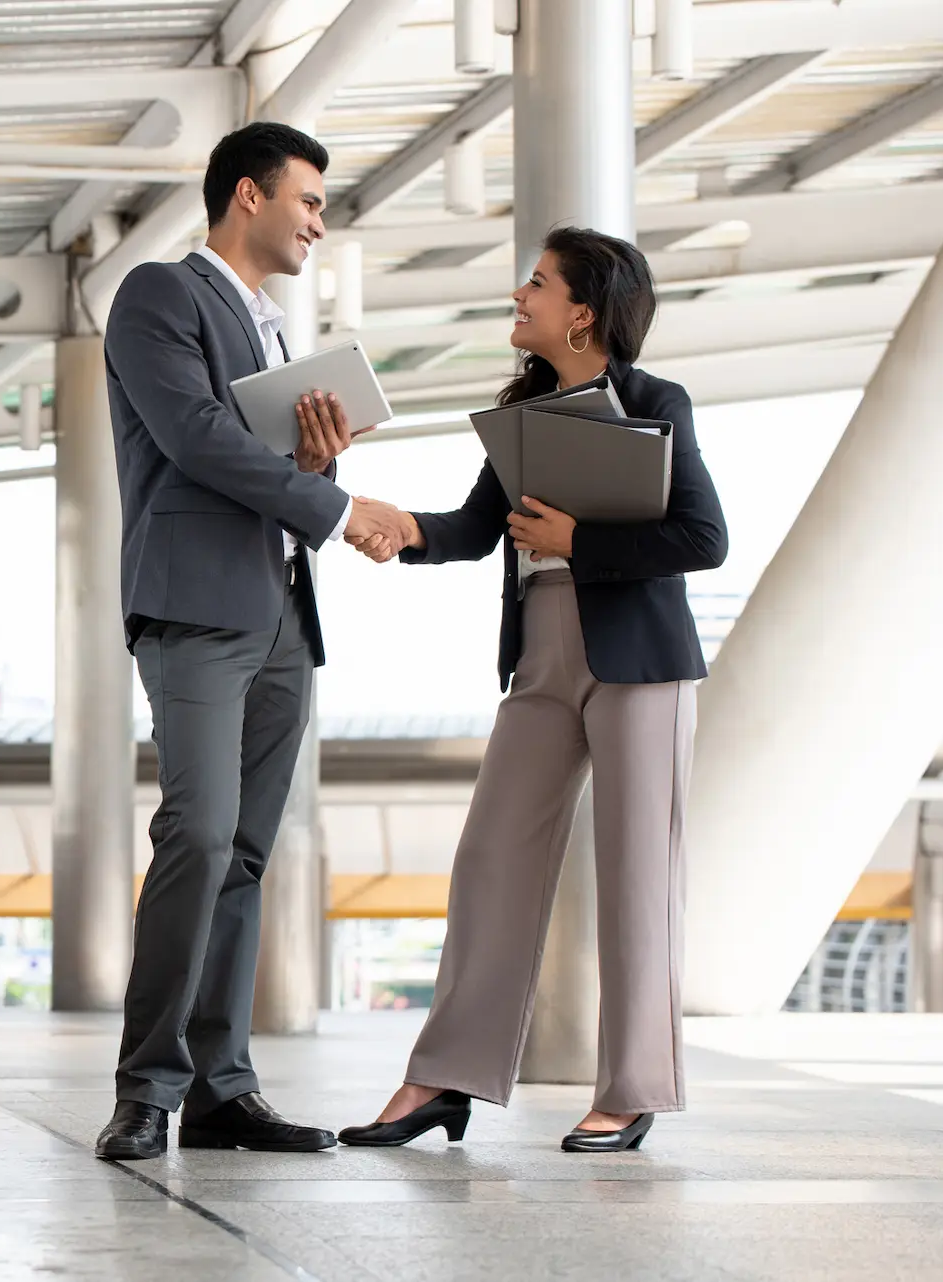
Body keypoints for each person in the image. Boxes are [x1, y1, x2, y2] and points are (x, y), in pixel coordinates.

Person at [337, 227, 728, 1155]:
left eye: (539, 283)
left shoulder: (655, 402)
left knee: (638, 878)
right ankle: (444, 1077)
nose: (522, 294)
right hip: (540, 659)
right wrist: (401, 529)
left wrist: (578, 541)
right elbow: (475, 530)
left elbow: (703, 538)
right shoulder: (520, 413)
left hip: (639, 660)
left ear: (583, 311)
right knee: (489, 862)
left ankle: (632, 1090)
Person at [92, 122, 404, 1162]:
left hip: (279, 613)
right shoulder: (158, 295)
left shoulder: (274, 329)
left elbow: (262, 465)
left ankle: (223, 1087)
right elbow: (195, 439)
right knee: (200, 831)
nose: (321, 219)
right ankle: (147, 1088)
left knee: (248, 852)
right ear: (246, 197)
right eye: (309, 199)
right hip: (195, 605)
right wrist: (339, 506)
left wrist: (320, 466)